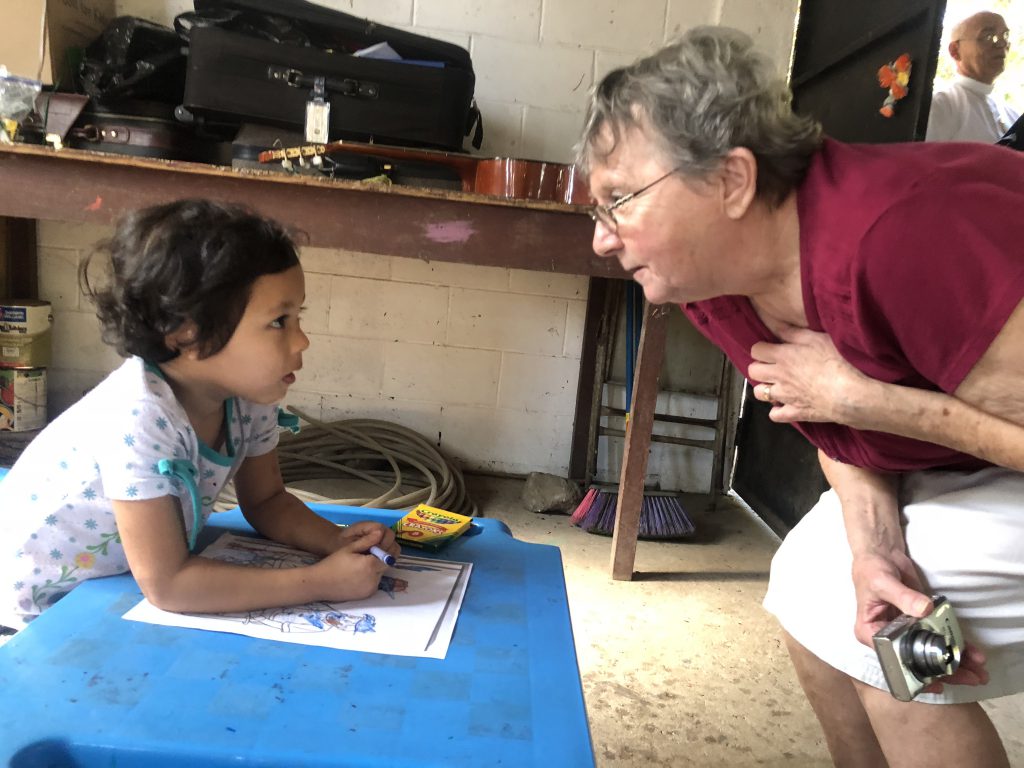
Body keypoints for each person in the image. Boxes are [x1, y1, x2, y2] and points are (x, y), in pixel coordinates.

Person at [576, 25, 1024, 768]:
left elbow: (850, 408)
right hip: (969, 461)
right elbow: (838, 431)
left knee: (892, 646)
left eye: (620, 199)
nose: (602, 238)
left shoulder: (899, 235)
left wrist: (871, 400)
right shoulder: (717, 284)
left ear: (732, 181)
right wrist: (876, 551)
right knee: (816, 586)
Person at [0, 199, 399, 633]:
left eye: (297, 316)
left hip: (113, 586)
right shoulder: (138, 417)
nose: (302, 340)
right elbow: (169, 585)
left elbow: (267, 501)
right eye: (278, 321)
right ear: (187, 333)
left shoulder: (250, 398)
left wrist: (336, 540)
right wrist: (319, 582)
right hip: (32, 613)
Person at [927, 10, 1019, 142]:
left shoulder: (1013, 114)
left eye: (1005, 35)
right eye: (988, 36)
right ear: (955, 51)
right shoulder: (942, 105)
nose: (1002, 44)